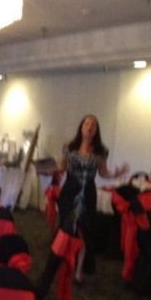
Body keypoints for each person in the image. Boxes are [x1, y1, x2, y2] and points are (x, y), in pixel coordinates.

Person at [56, 114, 128, 282]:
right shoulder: (69, 147)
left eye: (94, 125)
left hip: (88, 193)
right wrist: (48, 169)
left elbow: (103, 173)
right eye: (87, 123)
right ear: (81, 127)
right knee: (66, 230)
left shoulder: (101, 151)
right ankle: (62, 264)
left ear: (96, 130)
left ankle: (79, 270)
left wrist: (117, 173)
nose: (90, 127)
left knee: (83, 232)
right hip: (70, 192)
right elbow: (61, 167)